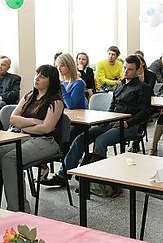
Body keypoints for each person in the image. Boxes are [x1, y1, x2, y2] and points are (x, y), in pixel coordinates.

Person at [42, 55, 153, 186]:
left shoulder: (143, 88)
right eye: (124, 68)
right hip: (112, 122)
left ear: (137, 70)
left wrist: (128, 122)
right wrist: (106, 119)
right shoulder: (119, 86)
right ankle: (63, 175)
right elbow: (112, 107)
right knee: (81, 139)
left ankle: (94, 181)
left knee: (101, 141)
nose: (125, 72)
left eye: (130, 69)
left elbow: (146, 112)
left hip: (129, 125)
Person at [2, 65, 64, 212]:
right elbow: (13, 118)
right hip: (25, 137)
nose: (37, 78)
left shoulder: (56, 101)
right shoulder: (29, 96)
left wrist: (24, 126)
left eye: (42, 76)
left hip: (47, 141)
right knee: (1, 153)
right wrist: (34, 122)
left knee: (10, 158)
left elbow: (46, 128)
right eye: (37, 74)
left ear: (51, 81)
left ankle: (18, 210)